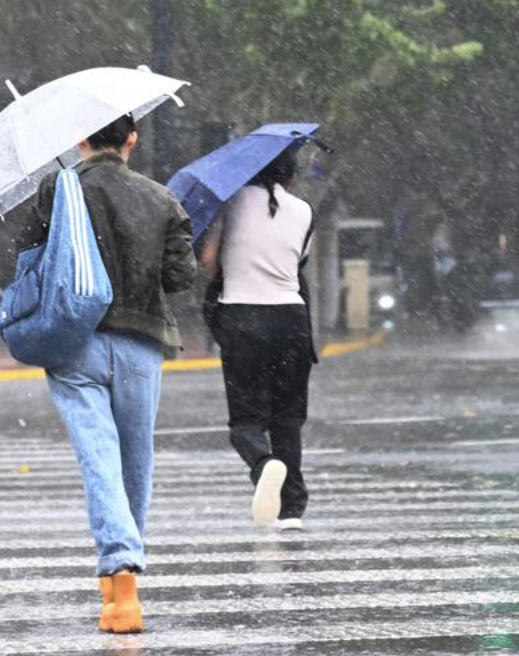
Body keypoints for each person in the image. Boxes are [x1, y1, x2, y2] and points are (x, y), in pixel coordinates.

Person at [19, 114, 197, 634]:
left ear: (81, 139)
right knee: (134, 459)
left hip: (76, 342)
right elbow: (180, 276)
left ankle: (118, 575)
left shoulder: (60, 187)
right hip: (142, 342)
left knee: (98, 456)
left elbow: (28, 257)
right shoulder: (162, 199)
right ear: (132, 140)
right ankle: (124, 583)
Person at [199, 149, 316, 531]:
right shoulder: (304, 211)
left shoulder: (228, 205)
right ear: (291, 178)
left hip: (242, 319)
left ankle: (264, 464)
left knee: (246, 420)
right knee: (288, 418)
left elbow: (209, 262)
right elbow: (297, 262)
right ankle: (292, 509)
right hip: (291, 320)